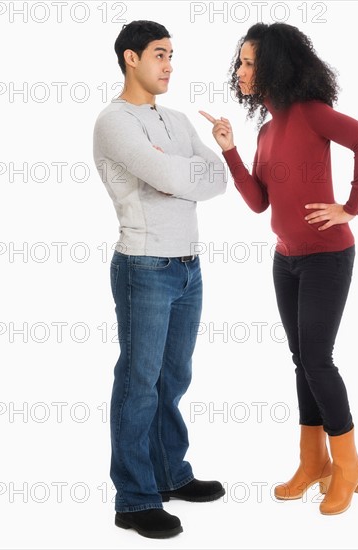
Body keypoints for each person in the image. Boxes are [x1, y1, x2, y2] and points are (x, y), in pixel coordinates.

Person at [201, 22, 358, 515]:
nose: (240, 70)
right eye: (239, 61)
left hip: (327, 256)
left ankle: (349, 465)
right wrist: (230, 150)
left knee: (318, 360)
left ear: (276, 66)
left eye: (249, 62)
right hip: (285, 260)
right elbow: (259, 202)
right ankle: (313, 462)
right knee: (302, 361)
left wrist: (352, 206)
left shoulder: (310, 113)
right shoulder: (265, 130)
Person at [92, 20, 227, 539]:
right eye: (159, 54)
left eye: (172, 54)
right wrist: (179, 173)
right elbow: (174, 177)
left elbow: (217, 178)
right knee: (138, 383)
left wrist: (182, 171)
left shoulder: (173, 118)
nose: (169, 64)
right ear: (131, 58)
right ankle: (134, 498)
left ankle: (171, 474)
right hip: (145, 266)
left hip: (189, 266)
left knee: (174, 380)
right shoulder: (113, 121)